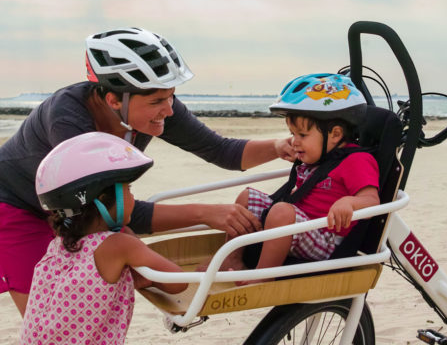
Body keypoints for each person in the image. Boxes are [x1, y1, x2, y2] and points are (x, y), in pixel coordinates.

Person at [0, 27, 294, 315]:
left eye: (172, 96)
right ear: (114, 100)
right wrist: (205, 213)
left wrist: (280, 146)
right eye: (157, 101)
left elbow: (221, 151)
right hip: (18, 205)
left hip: (78, 213)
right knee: (55, 324)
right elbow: (108, 211)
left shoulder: (152, 106)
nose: (168, 109)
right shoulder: (68, 120)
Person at [198, 74, 380, 284]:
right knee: (247, 198)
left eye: (302, 135)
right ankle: (232, 259)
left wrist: (349, 202)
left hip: (325, 238)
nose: (294, 141)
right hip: (301, 226)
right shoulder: (321, 157)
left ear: (335, 134)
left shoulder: (356, 160)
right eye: (292, 134)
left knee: (282, 211)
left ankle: (263, 276)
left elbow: (372, 201)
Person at [21, 132, 187, 344]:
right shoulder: (118, 245)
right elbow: (178, 283)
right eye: (128, 189)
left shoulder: (60, 244)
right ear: (102, 200)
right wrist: (131, 239)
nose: (133, 198)